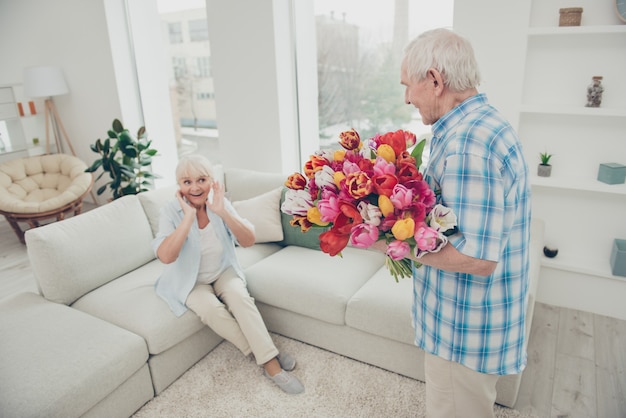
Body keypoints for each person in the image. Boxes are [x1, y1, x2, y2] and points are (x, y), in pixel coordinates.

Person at [384, 28, 531, 417]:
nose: (406, 98)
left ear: (434, 80)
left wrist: (389, 242)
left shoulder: (469, 145)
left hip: (463, 333)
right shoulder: (479, 126)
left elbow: (477, 259)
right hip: (467, 325)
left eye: (408, 86)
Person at [152, 154, 304, 394]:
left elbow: (248, 240)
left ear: (211, 181)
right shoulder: (170, 211)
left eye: (201, 179)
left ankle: (266, 354)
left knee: (241, 299)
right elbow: (166, 256)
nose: (194, 187)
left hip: (222, 271)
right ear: (179, 186)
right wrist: (188, 217)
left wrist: (222, 211)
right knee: (211, 310)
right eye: (186, 182)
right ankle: (269, 359)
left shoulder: (218, 202)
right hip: (188, 282)